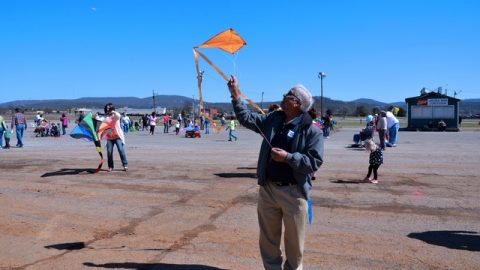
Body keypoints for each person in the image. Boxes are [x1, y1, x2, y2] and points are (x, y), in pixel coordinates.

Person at [228, 75, 324, 270]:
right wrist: (235, 94)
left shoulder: (312, 131)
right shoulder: (274, 119)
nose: (283, 95)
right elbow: (248, 119)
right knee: (268, 242)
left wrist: (288, 157)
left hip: (294, 194)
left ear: (297, 103)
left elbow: (314, 162)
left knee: (294, 245)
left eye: (288, 94)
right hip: (268, 190)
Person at [96, 103, 128, 172]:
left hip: (117, 136)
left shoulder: (115, 116)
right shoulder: (105, 117)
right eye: (107, 108)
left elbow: (118, 116)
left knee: (120, 149)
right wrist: (96, 117)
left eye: (109, 108)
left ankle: (125, 164)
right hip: (109, 137)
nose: (108, 109)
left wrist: (113, 111)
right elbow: (99, 120)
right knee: (109, 152)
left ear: (112, 108)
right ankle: (110, 166)